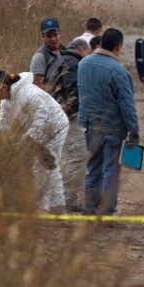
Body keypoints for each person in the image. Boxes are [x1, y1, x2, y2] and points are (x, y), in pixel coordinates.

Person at [0, 70, 70, 211]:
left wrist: (31, 139)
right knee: (50, 167)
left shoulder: (28, 93)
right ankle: (57, 207)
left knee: (42, 167)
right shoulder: (6, 102)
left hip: (55, 127)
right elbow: (3, 123)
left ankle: (42, 208)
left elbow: (43, 116)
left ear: (3, 86)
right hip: (38, 130)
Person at [77, 27, 139, 215]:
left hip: (90, 126)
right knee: (110, 170)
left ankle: (90, 205)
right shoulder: (119, 71)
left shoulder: (83, 64)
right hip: (113, 129)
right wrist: (134, 132)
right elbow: (127, 105)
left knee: (93, 167)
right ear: (119, 46)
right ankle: (106, 209)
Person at [46, 37, 92, 211]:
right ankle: (68, 198)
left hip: (57, 116)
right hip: (70, 118)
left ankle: (63, 197)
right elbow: (74, 90)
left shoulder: (58, 60)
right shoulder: (74, 64)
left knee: (66, 157)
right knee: (78, 156)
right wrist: (73, 112)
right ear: (81, 48)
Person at [30, 17, 62, 87]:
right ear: (42, 36)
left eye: (55, 34)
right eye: (49, 36)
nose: (53, 39)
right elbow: (36, 87)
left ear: (60, 34)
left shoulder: (65, 52)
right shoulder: (39, 57)